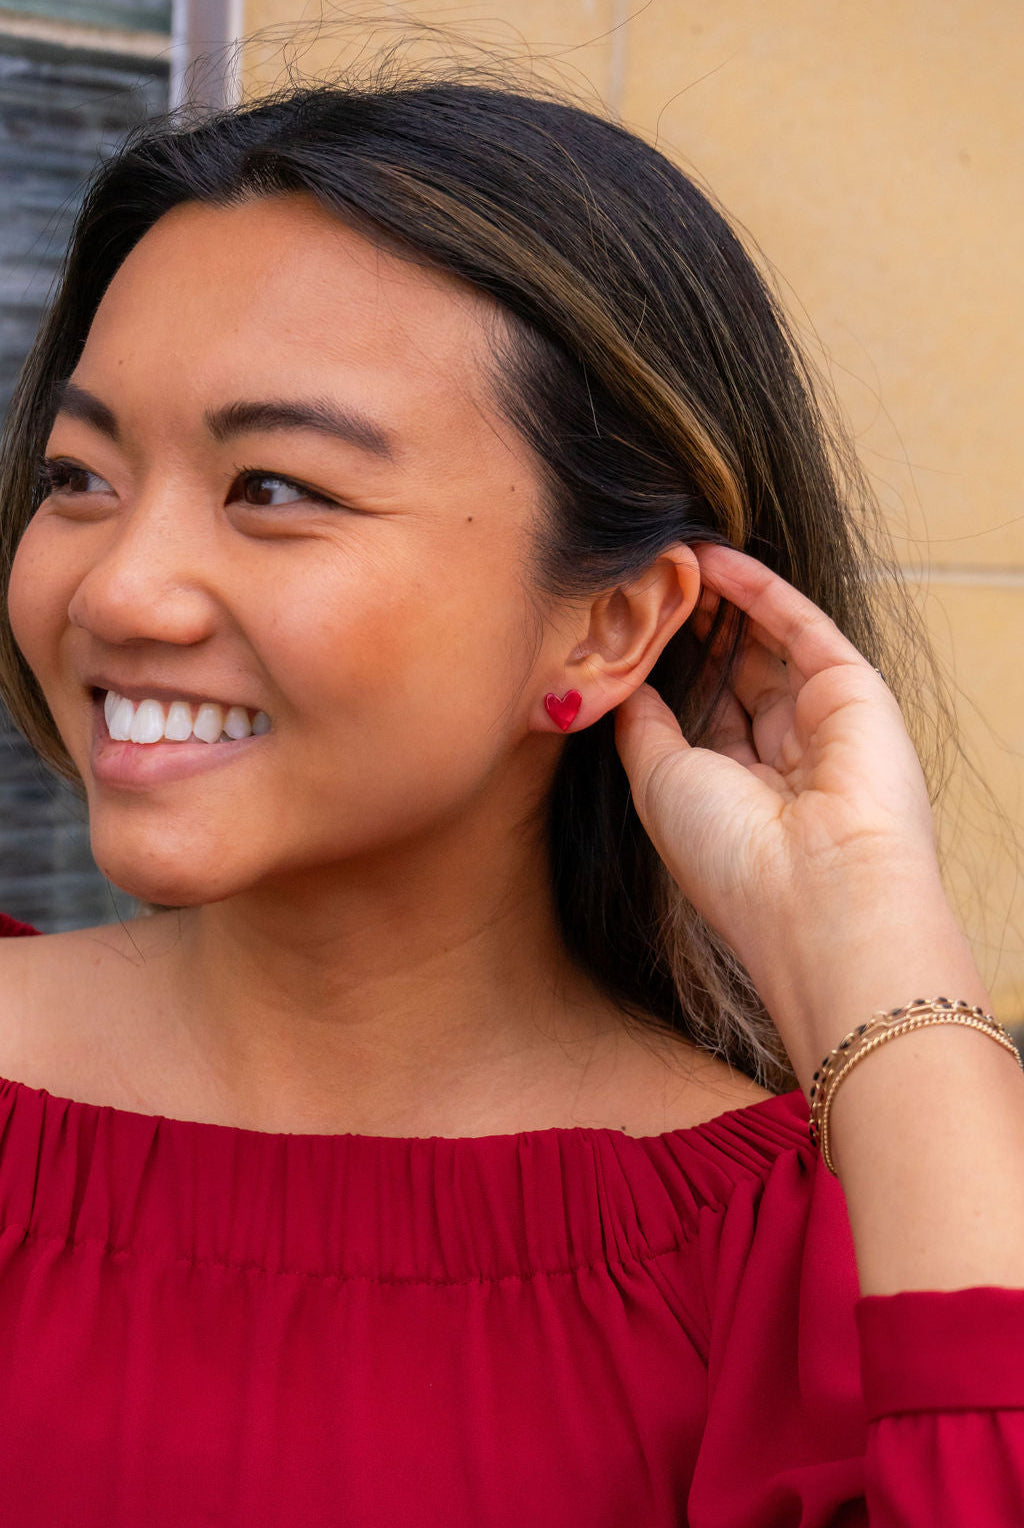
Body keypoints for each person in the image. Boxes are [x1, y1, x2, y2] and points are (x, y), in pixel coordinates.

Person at [0, 69, 1022, 1526]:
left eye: (273, 489)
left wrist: (876, 948)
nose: (116, 588)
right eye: (78, 476)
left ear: (606, 630)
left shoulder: (794, 1269)